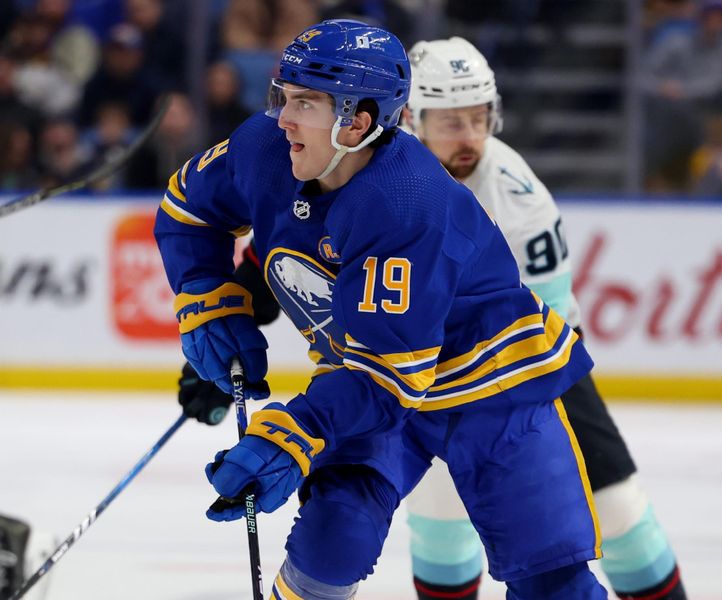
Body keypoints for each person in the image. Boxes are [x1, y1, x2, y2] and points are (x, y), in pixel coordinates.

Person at [155, 19, 607, 599]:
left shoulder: (405, 204)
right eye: (285, 97)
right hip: (379, 373)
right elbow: (190, 208)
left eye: (307, 103)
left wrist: (293, 434)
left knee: (554, 580)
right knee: (332, 540)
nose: (284, 119)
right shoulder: (264, 148)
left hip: (493, 381)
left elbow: (391, 378)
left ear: (358, 121)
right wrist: (209, 302)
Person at [402, 37, 688, 600]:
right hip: (431, 370)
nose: (469, 138)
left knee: (620, 512)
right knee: (439, 521)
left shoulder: (516, 199)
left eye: (478, 119)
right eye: (450, 122)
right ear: (411, 119)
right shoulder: (382, 170)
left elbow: (549, 334)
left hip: (534, 367)